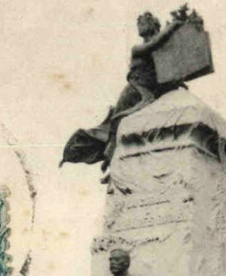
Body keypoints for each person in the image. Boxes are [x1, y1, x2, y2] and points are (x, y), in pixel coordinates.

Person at [60, 9, 188, 170]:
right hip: (134, 92)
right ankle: (110, 160)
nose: (139, 26)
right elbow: (157, 42)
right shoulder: (138, 49)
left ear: (153, 24)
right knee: (117, 125)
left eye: (142, 22)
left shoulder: (162, 55)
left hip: (149, 93)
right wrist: (174, 26)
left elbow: (165, 73)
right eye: (138, 23)